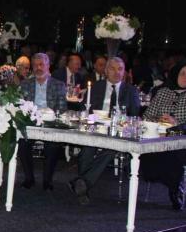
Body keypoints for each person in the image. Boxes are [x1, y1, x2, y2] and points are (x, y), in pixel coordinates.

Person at [69, 57, 141, 205]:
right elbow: (85, 109)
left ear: (124, 72)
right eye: (113, 69)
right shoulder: (97, 87)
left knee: (110, 150)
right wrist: (95, 118)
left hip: (118, 132)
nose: (117, 72)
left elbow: (134, 116)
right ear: (106, 71)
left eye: (120, 69)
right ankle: (82, 186)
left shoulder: (131, 90)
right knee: (87, 149)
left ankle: (82, 183)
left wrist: (122, 123)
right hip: (96, 128)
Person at [141, 60, 186, 210]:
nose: (185, 77)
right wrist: (158, 120)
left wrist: (176, 123)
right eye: (183, 74)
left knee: (173, 151)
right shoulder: (162, 93)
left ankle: (174, 188)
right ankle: (173, 183)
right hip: (158, 135)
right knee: (151, 150)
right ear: (175, 74)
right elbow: (146, 116)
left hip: (182, 138)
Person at [18, 53, 66, 190]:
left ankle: (47, 180)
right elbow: (20, 105)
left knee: (53, 145)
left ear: (48, 66)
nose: (38, 68)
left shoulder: (58, 85)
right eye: (35, 65)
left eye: (41, 65)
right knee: (23, 144)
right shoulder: (25, 84)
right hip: (30, 121)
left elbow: (62, 108)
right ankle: (29, 178)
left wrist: (50, 115)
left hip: (50, 121)